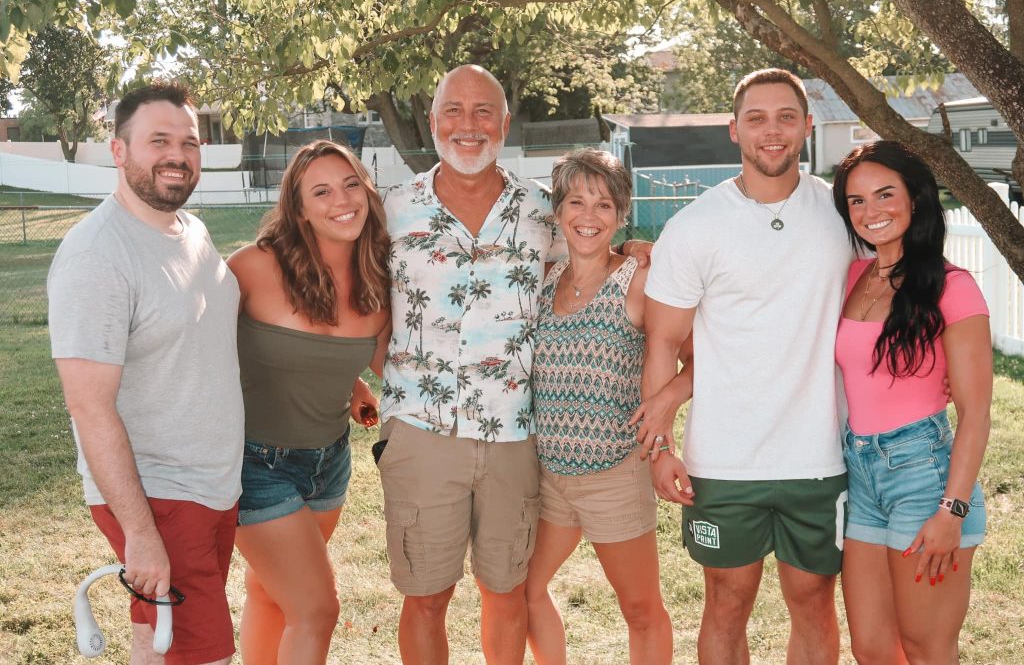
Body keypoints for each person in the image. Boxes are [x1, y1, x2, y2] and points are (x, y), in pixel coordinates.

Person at [375, 64, 650, 664]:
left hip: (516, 437)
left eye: (483, 113)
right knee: (425, 597)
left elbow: (590, 248)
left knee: (505, 591)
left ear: (504, 123)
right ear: (432, 121)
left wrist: (634, 248)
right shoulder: (391, 211)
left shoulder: (540, 211)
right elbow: (362, 305)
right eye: (454, 110)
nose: (467, 126)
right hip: (423, 433)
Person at [637, 68, 853, 664]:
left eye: (787, 117)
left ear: (808, 127)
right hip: (724, 459)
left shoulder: (843, 215)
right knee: (728, 600)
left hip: (820, 453)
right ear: (734, 130)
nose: (772, 131)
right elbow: (662, 342)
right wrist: (661, 450)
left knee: (812, 599)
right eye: (756, 118)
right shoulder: (695, 226)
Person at [48, 82, 243, 665]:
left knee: (159, 641)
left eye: (189, 141)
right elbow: (89, 406)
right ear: (118, 150)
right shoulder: (97, 255)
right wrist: (140, 531)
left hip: (211, 486)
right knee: (203, 653)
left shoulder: (191, 231)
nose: (177, 154)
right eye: (158, 140)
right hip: (158, 492)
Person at [227, 140, 391, 663]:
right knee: (316, 611)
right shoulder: (252, 268)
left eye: (350, 185)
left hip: (328, 460)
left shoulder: (380, 275)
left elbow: (344, 356)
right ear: (298, 208)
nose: (341, 200)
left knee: (270, 592)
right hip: (256, 462)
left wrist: (351, 385)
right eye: (320, 191)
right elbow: (196, 356)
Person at [832, 140, 991, 663]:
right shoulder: (855, 276)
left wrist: (953, 510)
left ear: (915, 199)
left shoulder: (952, 287)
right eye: (856, 201)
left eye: (884, 195)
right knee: (873, 647)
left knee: (926, 647)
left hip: (925, 476)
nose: (870, 212)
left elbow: (975, 415)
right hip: (862, 471)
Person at [524, 149, 676, 664]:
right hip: (550, 476)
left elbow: (698, 356)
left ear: (621, 215)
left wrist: (664, 406)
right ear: (558, 211)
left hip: (614, 472)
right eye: (576, 202)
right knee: (525, 592)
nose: (588, 216)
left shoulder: (638, 278)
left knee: (639, 608)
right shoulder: (544, 277)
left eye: (604, 205)